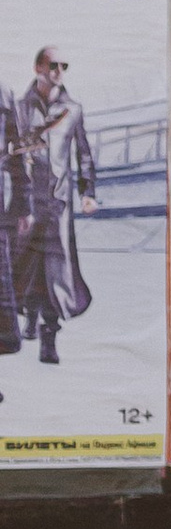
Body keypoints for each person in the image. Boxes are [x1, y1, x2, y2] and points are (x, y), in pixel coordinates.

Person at [11, 49, 94, 365]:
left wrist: (87, 192)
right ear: (38, 68)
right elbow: (12, 155)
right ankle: (30, 314)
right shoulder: (20, 107)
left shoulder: (72, 110)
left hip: (59, 203)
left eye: (64, 65)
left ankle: (49, 335)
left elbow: (83, 153)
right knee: (27, 263)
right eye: (53, 65)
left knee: (56, 269)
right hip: (27, 202)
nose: (59, 70)